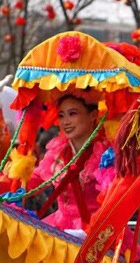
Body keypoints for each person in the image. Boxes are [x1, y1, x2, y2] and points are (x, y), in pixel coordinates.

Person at [26, 93, 113, 232]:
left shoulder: (107, 154)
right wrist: (3, 183)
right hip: (60, 227)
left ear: (93, 115)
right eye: (61, 116)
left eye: (72, 114)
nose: (65, 122)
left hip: (97, 230)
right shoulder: (57, 152)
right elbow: (34, 182)